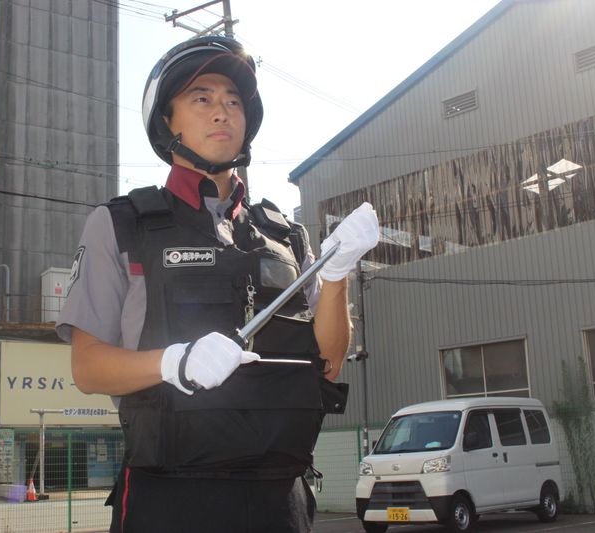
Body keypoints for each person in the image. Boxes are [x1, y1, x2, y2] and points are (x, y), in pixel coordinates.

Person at [56, 36, 379, 533]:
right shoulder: (121, 225)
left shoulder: (286, 237)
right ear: (167, 121)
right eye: (201, 97)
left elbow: (329, 363)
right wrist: (174, 362)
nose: (222, 111)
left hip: (281, 500)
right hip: (170, 500)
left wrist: (336, 276)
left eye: (234, 101)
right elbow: (88, 367)